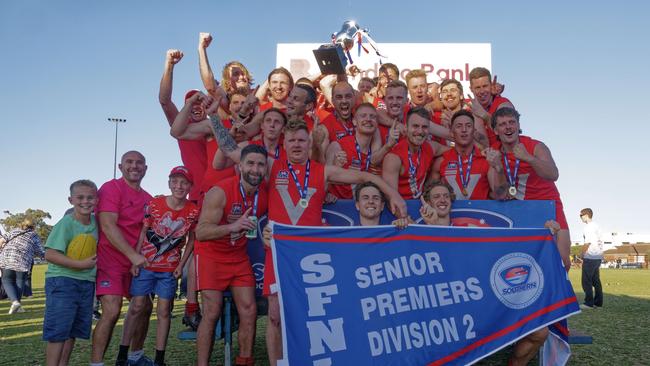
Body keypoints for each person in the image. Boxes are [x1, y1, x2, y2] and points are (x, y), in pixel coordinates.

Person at [209, 99, 407, 365]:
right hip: (278, 254)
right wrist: (213, 117)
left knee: (311, 316)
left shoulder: (321, 171)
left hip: (313, 259)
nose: (297, 145)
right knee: (276, 316)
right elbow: (230, 148)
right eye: (291, 141)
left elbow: (365, 177)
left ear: (308, 142)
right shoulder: (270, 165)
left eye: (302, 140)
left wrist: (393, 193)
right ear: (284, 142)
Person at [194, 145, 269, 366]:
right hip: (211, 256)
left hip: (238, 257)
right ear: (240, 166)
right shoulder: (220, 191)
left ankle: (244, 361)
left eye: (260, 164)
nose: (255, 169)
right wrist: (232, 227)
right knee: (212, 311)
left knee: (249, 309)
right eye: (251, 163)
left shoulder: (263, 195)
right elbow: (201, 232)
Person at [119, 167, 199, 366]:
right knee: (136, 307)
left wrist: (182, 264)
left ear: (190, 186)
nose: (179, 186)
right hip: (146, 264)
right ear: (169, 183)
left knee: (164, 311)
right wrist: (135, 258)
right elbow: (143, 231)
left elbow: (191, 240)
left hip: (169, 270)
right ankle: (122, 355)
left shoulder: (193, 210)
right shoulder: (154, 204)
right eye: (175, 182)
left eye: (184, 183)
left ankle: (159, 359)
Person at [91, 151, 152, 366]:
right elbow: (108, 225)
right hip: (111, 261)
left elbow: (150, 234)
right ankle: (96, 363)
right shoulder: (111, 188)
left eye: (139, 163)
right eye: (129, 162)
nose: (134, 166)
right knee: (112, 310)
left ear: (146, 168)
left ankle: (134, 356)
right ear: (120, 166)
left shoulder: (149, 199)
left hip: (136, 263)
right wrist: (133, 255)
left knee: (144, 306)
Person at [490, 107, 571, 270]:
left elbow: (553, 174)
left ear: (518, 125)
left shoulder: (535, 146)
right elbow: (499, 194)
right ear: (495, 130)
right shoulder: (495, 153)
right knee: (521, 261)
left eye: (512, 122)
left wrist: (529, 158)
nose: (508, 127)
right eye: (502, 124)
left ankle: (560, 295)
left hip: (548, 206)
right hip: (520, 209)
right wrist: (498, 169)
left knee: (562, 261)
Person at [42, 180, 98, 366]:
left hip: (86, 283)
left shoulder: (97, 223)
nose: (85, 201)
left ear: (96, 200)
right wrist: (79, 264)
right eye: (80, 197)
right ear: (70, 200)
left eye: (90, 197)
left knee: (73, 330)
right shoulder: (66, 223)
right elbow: (50, 254)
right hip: (63, 281)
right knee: (58, 332)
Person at [430, 110, 506, 200]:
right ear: (451, 132)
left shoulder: (486, 160)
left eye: (468, 126)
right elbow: (429, 194)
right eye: (459, 126)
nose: (464, 130)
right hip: (450, 213)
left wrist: (500, 170)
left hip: (480, 213)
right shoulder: (441, 161)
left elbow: (500, 195)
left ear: (474, 131)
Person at [382, 107, 446, 199]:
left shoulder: (430, 147)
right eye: (415, 126)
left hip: (422, 204)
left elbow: (457, 150)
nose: (420, 131)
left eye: (424, 127)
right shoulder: (393, 158)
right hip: (400, 206)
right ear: (406, 127)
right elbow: (391, 199)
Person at [0, 218, 44, 314]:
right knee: (20, 282)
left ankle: (15, 303)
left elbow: (1, 241)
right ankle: (17, 305)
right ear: (33, 226)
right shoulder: (34, 235)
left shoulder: (14, 231)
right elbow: (40, 251)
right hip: (23, 261)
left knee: (7, 280)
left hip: (7, 259)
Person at [580, 207, 604, 309]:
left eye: (581, 216)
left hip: (590, 256)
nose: (580, 218)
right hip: (598, 256)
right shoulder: (597, 226)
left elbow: (587, 242)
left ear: (586, 215)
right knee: (595, 280)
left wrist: (582, 253)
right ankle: (598, 303)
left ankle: (588, 303)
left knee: (586, 280)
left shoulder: (588, 227)